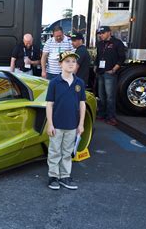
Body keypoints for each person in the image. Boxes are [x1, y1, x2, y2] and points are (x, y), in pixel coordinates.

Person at [45, 51, 86, 190]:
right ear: (60, 64)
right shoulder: (54, 83)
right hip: (56, 125)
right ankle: (53, 176)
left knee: (67, 152)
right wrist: (50, 124)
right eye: (67, 61)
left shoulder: (79, 83)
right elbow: (49, 104)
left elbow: (82, 104)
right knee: (55, 151)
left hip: (72, 125)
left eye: (73, 62)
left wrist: (81, 124)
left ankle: (65, 176)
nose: (71, 64)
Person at [94, 26, 126, 126]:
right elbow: (98, 56)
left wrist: (114, 69)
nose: (101, 35)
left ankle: (111, 117)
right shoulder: (99, 43)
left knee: (110, 97)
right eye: (99, 33)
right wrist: (95, 66)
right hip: (100, 72)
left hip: (110, 73)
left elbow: (122, 58)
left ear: (109, 32)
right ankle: (102, 114)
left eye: (102, 33)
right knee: (101, 95)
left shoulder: (117, 43)